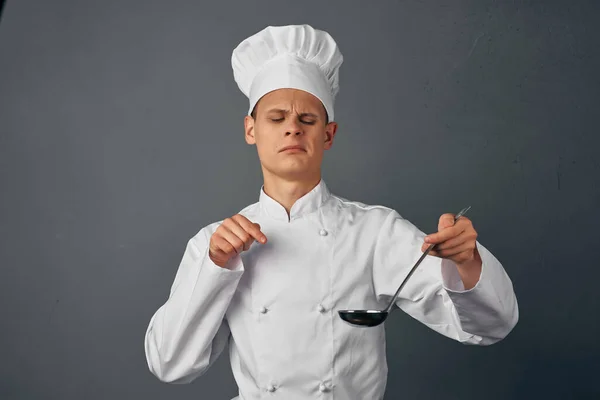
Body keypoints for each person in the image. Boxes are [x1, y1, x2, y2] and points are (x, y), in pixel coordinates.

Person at [144, 24, 519, 400]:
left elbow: (490, 327)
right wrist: (215, 268)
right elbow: (169, 365)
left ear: (328, 134)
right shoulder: (216, 243)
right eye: (276, 119)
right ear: (250, 129)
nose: (292, 129)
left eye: (307, 120)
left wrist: (466, 260)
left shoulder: (374, 232)